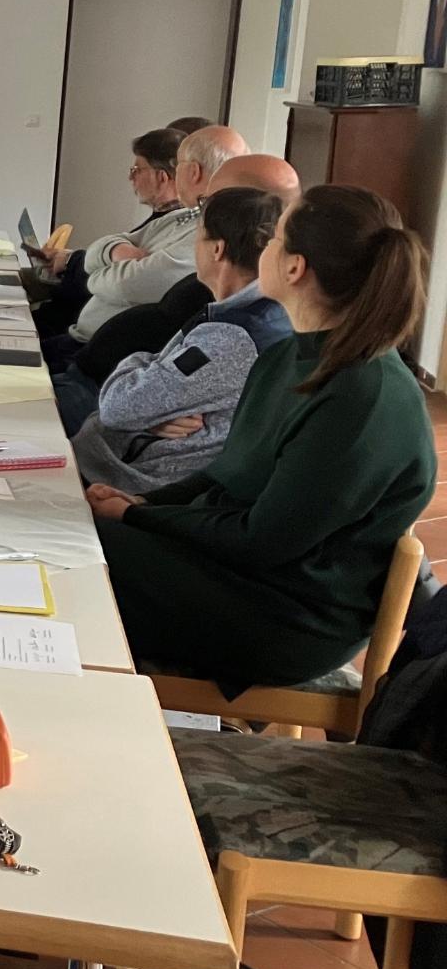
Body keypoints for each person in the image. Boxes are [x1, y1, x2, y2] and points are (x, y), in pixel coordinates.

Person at [90, 186, 434, 691]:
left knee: (82, 557)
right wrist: (141, 500)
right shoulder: (289, 356)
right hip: (243, 572)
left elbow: (264, 540)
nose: (263, 250)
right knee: (80, 536)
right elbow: (226, 473)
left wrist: (137, 517)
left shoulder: (360, 394)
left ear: (295, 268)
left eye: (273, 240)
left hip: (287, 615)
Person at [52, 153, 300, 431]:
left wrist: (145, 384)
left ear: (218, 248)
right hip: (106, 399)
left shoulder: (234, 332)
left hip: (103, 412)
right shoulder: (235, 305)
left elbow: (124, 405)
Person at [72, 187, 289, 493]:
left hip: (123, 483)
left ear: (217, 250)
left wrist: (142, 366)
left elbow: (119, 406)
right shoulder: (257, 312)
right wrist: (155, 409)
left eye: (197, 238)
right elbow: (143, 401)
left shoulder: (231, 338)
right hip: (121, 461)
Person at [37, 125, 248, 365]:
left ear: (193, 171)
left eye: (177, 166)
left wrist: (94, 274)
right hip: (79, 341)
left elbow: (129, 284)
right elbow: (103, 245)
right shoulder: (182, 216)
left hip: (100, 360)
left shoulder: (209, 232)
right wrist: (114, 250)